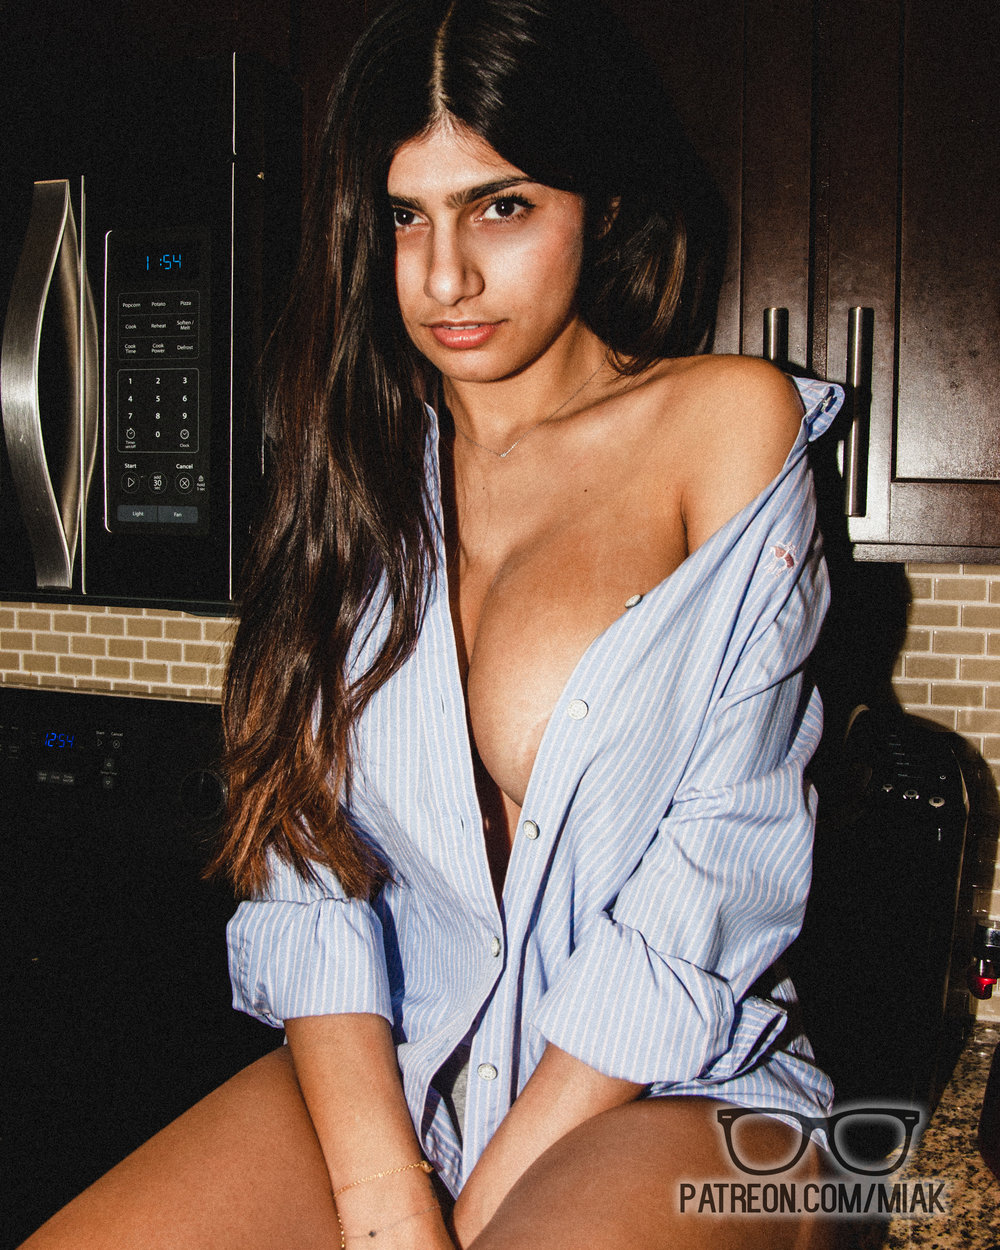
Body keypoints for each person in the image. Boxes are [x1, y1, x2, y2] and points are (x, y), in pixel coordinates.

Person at [20, 1, 845, 1247]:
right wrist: (383, 1195)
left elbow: (720, 865)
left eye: (498, 206)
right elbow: (305, 856)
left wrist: (489, 1190)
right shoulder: (351, 463)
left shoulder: (722, 423)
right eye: (406, 216)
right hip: (402, 1067)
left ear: (604, 203)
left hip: (674, 1078)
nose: (443, 275)